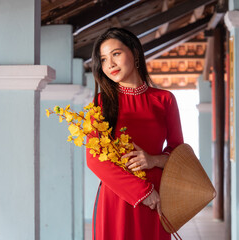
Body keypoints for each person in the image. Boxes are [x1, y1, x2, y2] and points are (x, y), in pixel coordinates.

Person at [86, 27, 184, 240]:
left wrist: (153, 160)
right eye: (103, 59)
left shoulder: (164, 100)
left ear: (135, 53)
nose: (109, 64)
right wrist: (142, 192)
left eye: (116, 54)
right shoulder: (101, 104)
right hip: (117, 197)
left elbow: (179, 152)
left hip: (157, 196)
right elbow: (94, 160)